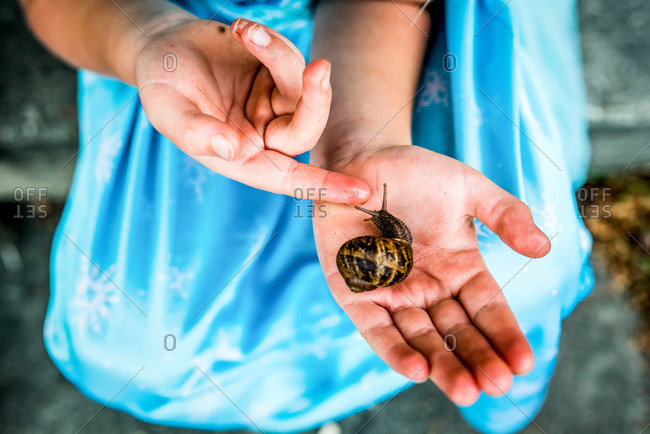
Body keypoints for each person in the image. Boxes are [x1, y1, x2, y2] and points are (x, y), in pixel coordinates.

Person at [21, 0, 594, 432]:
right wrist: (153, 38)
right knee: (134, 341)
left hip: (384, 54)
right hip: (194, 69)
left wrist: (357, 143)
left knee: (524, 266)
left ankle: (490, 395)